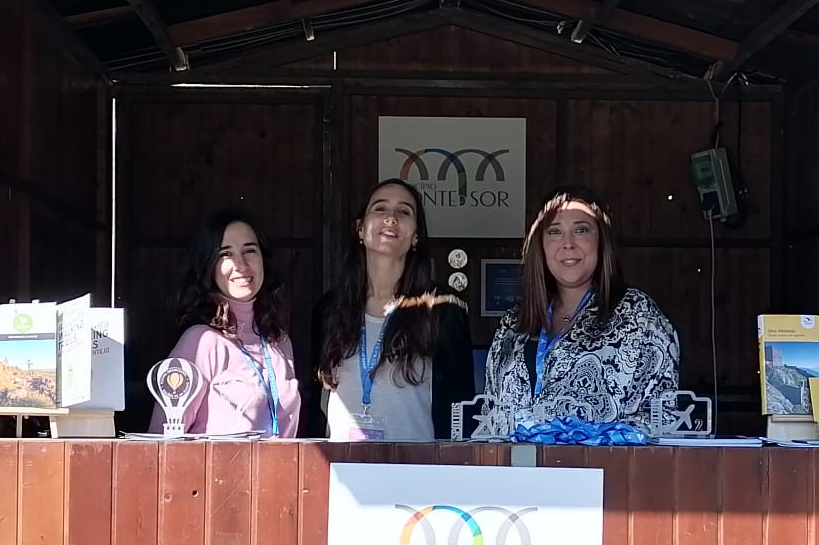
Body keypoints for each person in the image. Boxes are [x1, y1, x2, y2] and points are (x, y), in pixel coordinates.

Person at [482, 184, 680, 431]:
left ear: (601, 241)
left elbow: (661, 421)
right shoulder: (512, 325)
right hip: (516, 467)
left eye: (581, 230)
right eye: (554, 231)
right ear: (539, 246)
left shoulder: (639, 315)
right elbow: (489, 418)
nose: (568, 244)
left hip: (603, 468)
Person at [313, 179, 474, 442]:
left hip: (418, 473)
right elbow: (314, 406)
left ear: (416, 237)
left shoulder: (444, 310)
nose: (390, 218)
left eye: (404, 211)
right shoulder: (329, 310)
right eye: (380, 209)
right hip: (342, 470)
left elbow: (459, 412)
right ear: (360, 230)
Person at [150, 207, 301, 437]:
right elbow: (161, 442)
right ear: (209, 266)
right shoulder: (200, 342)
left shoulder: (280, 342)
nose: (240, 264)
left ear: (264, 260)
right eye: (225, 254)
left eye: (249, 250)